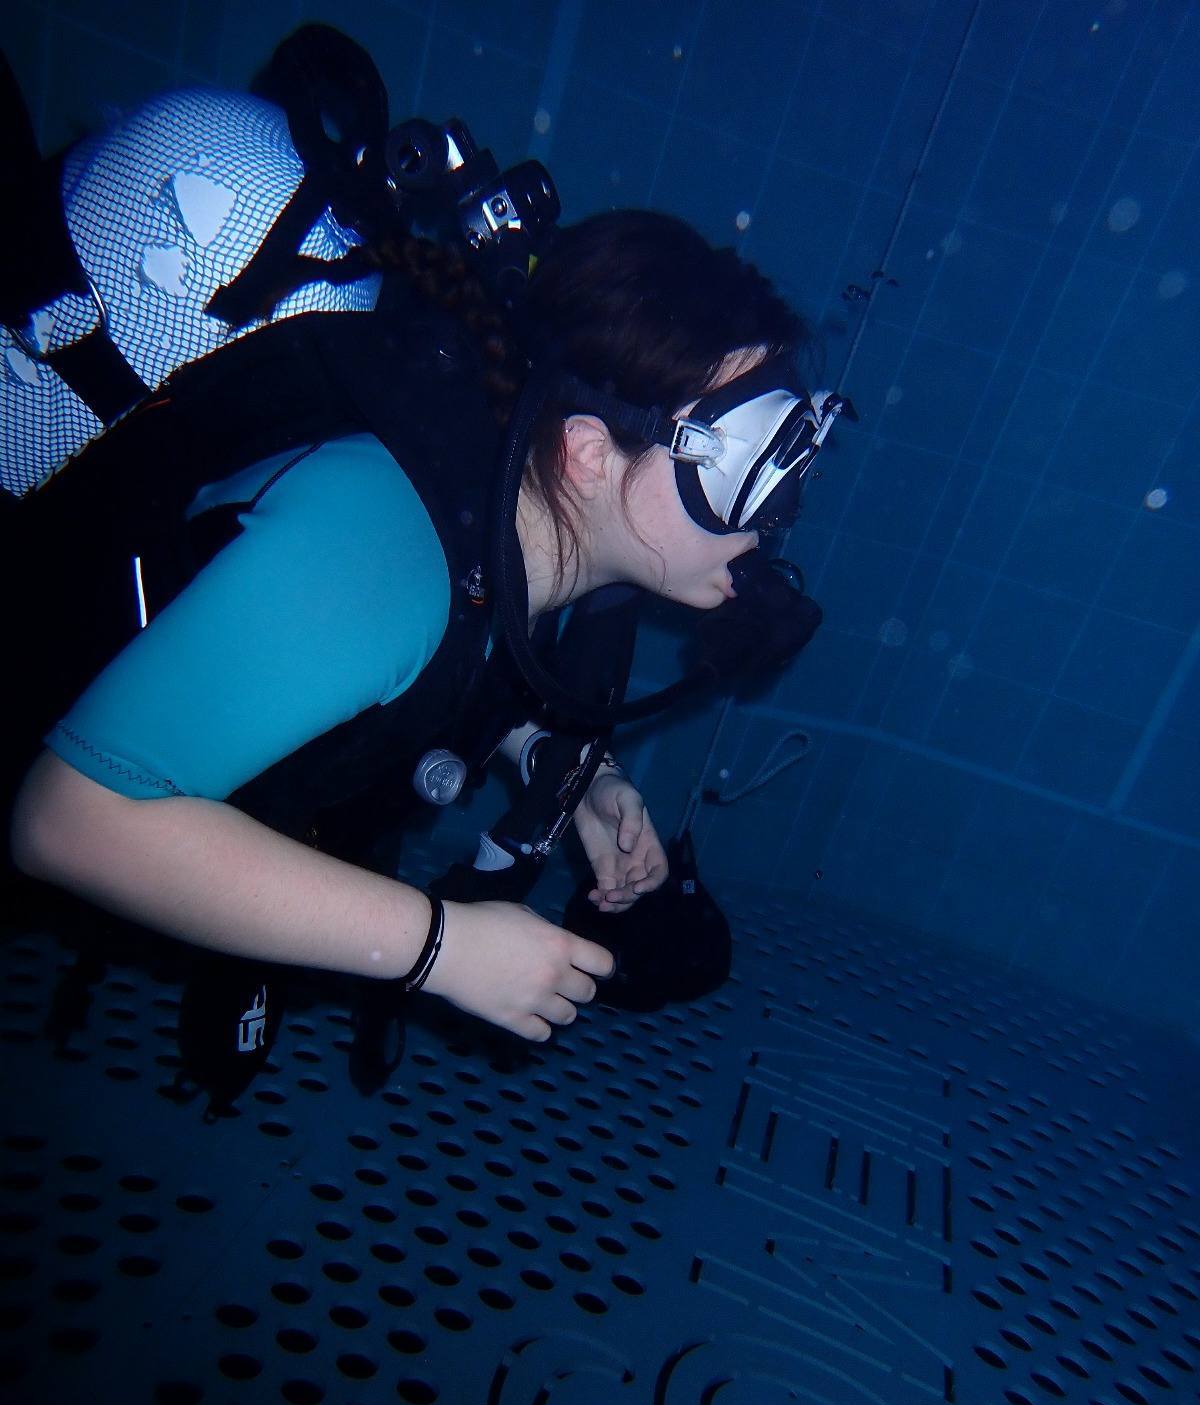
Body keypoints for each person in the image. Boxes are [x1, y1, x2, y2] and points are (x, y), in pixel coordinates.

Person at [5, 37, 828, 1049]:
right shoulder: (382, 554)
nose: (770, 521)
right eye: (749, 470)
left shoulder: (517, 526)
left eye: (791, 464)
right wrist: (441, 947)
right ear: (586, 453)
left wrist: (571, 776)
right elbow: (68, 819)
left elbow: (444, 666)